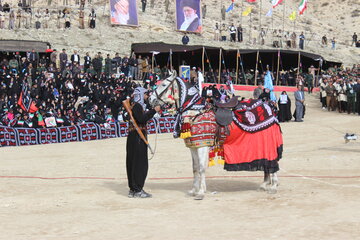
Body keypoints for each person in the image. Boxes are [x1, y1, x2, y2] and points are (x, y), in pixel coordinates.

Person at [126, 87, 161, 198]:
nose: (146, 97)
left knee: (132, 162)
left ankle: (133, 188)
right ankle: (137, 189)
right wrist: (153, 111)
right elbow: (141, 119)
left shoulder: (133, 105)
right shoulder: (137, 106)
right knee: (140, 163)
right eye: (145, 94)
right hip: (138, 137)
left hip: (133, 137)